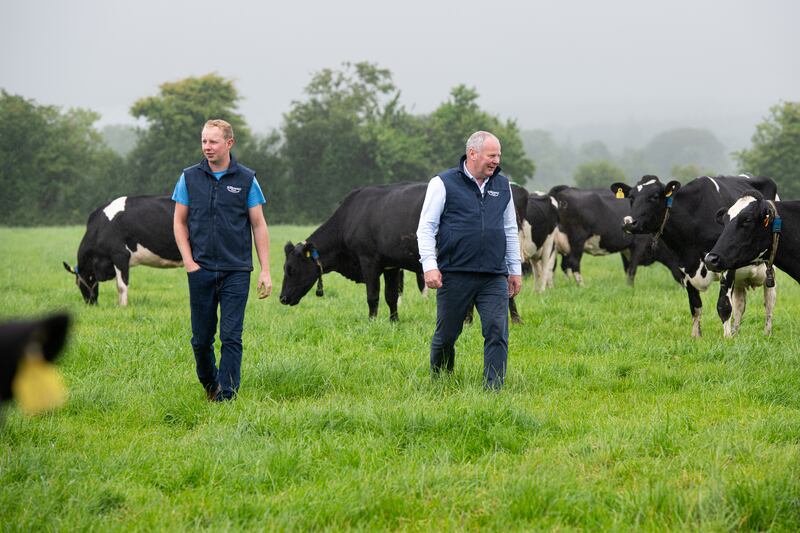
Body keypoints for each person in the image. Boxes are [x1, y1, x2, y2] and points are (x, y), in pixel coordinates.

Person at [172, 119, 272, 401]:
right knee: (201, 340)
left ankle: (227, 395)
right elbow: (179, 222)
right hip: (200, 270)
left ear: (229, 143)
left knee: (231, 336)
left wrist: (265, 270)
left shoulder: (246, 179)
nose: (207, 147)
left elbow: (259, 225)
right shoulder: (188, 178)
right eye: (204, 141)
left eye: (213, 141)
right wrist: (189, 262)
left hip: (236, 271)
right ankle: (209, 382)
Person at [416, 131, 522, 390]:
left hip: (493, 275)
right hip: (455, 273)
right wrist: (430, 266)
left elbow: (510, 228)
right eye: (491, 155)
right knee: (447, 335)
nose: (496, 160)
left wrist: (514, 269)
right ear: (472, 154)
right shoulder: (442, 183)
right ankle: (441, 382)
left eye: (498, 155)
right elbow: (426, 228)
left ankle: (493, 389)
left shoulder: (503, 185)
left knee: (497, 332)